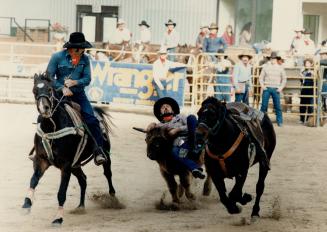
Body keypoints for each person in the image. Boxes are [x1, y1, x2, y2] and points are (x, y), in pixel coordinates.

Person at [46, 32, 107, 165]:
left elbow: (87, 78)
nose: (83, 51)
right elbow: (49, 76)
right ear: (72, 48)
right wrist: (61, 88)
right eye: (81, 48)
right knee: (46, 116)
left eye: (84, 48)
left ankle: (98, 150)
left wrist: (75, 83)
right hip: (59, 95)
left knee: (91, 119)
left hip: (79, 95)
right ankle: (39, 149)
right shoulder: (57, 57)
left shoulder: (85, 59)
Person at [152, 97, 205, 179]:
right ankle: (195, 169)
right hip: (179, 146)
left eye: (167, 106)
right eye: (163, 107)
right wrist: (152, 125)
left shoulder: (180, 117)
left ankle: (196, 146)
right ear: (160, 112)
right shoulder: (160, 125)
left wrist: (177, 129)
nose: (165, 108)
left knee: (191, 118)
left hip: (191, 138)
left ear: (172, 110)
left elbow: (190, 126)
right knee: (175, 151)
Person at [259, 52, 287, 127]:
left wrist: (280, 88)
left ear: (276, 59)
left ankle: (280, 121)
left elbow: (284, 79)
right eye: (272, 58)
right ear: (270, 59)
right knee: (264, 105)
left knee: (278, 106)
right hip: (267, 88)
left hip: (276, 89)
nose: (273, 60)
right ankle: (261, 120)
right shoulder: (265, 67)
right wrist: (263, 86)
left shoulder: (280, 68)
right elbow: (261, 77)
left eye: (274, 58)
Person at [299, 58, 315, 123]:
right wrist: (301, 75)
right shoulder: (303, 71)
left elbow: (315, 80)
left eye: (308, 63)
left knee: (310, 105)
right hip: (304, 89)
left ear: (311, 64)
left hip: (311, 89)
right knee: (302, 104)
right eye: (306, 63)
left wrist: (312, 74)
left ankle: (308, 119)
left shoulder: (313, 71)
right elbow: (301, 81)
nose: (306, 64)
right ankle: (302, 119)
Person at [319, 48, 327, 112]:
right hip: (322, 81)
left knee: (324, 96)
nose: (321, 55)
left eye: (323, 54)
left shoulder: (322, 61)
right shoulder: (321, 61)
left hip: (325, 81)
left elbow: (321, 62)